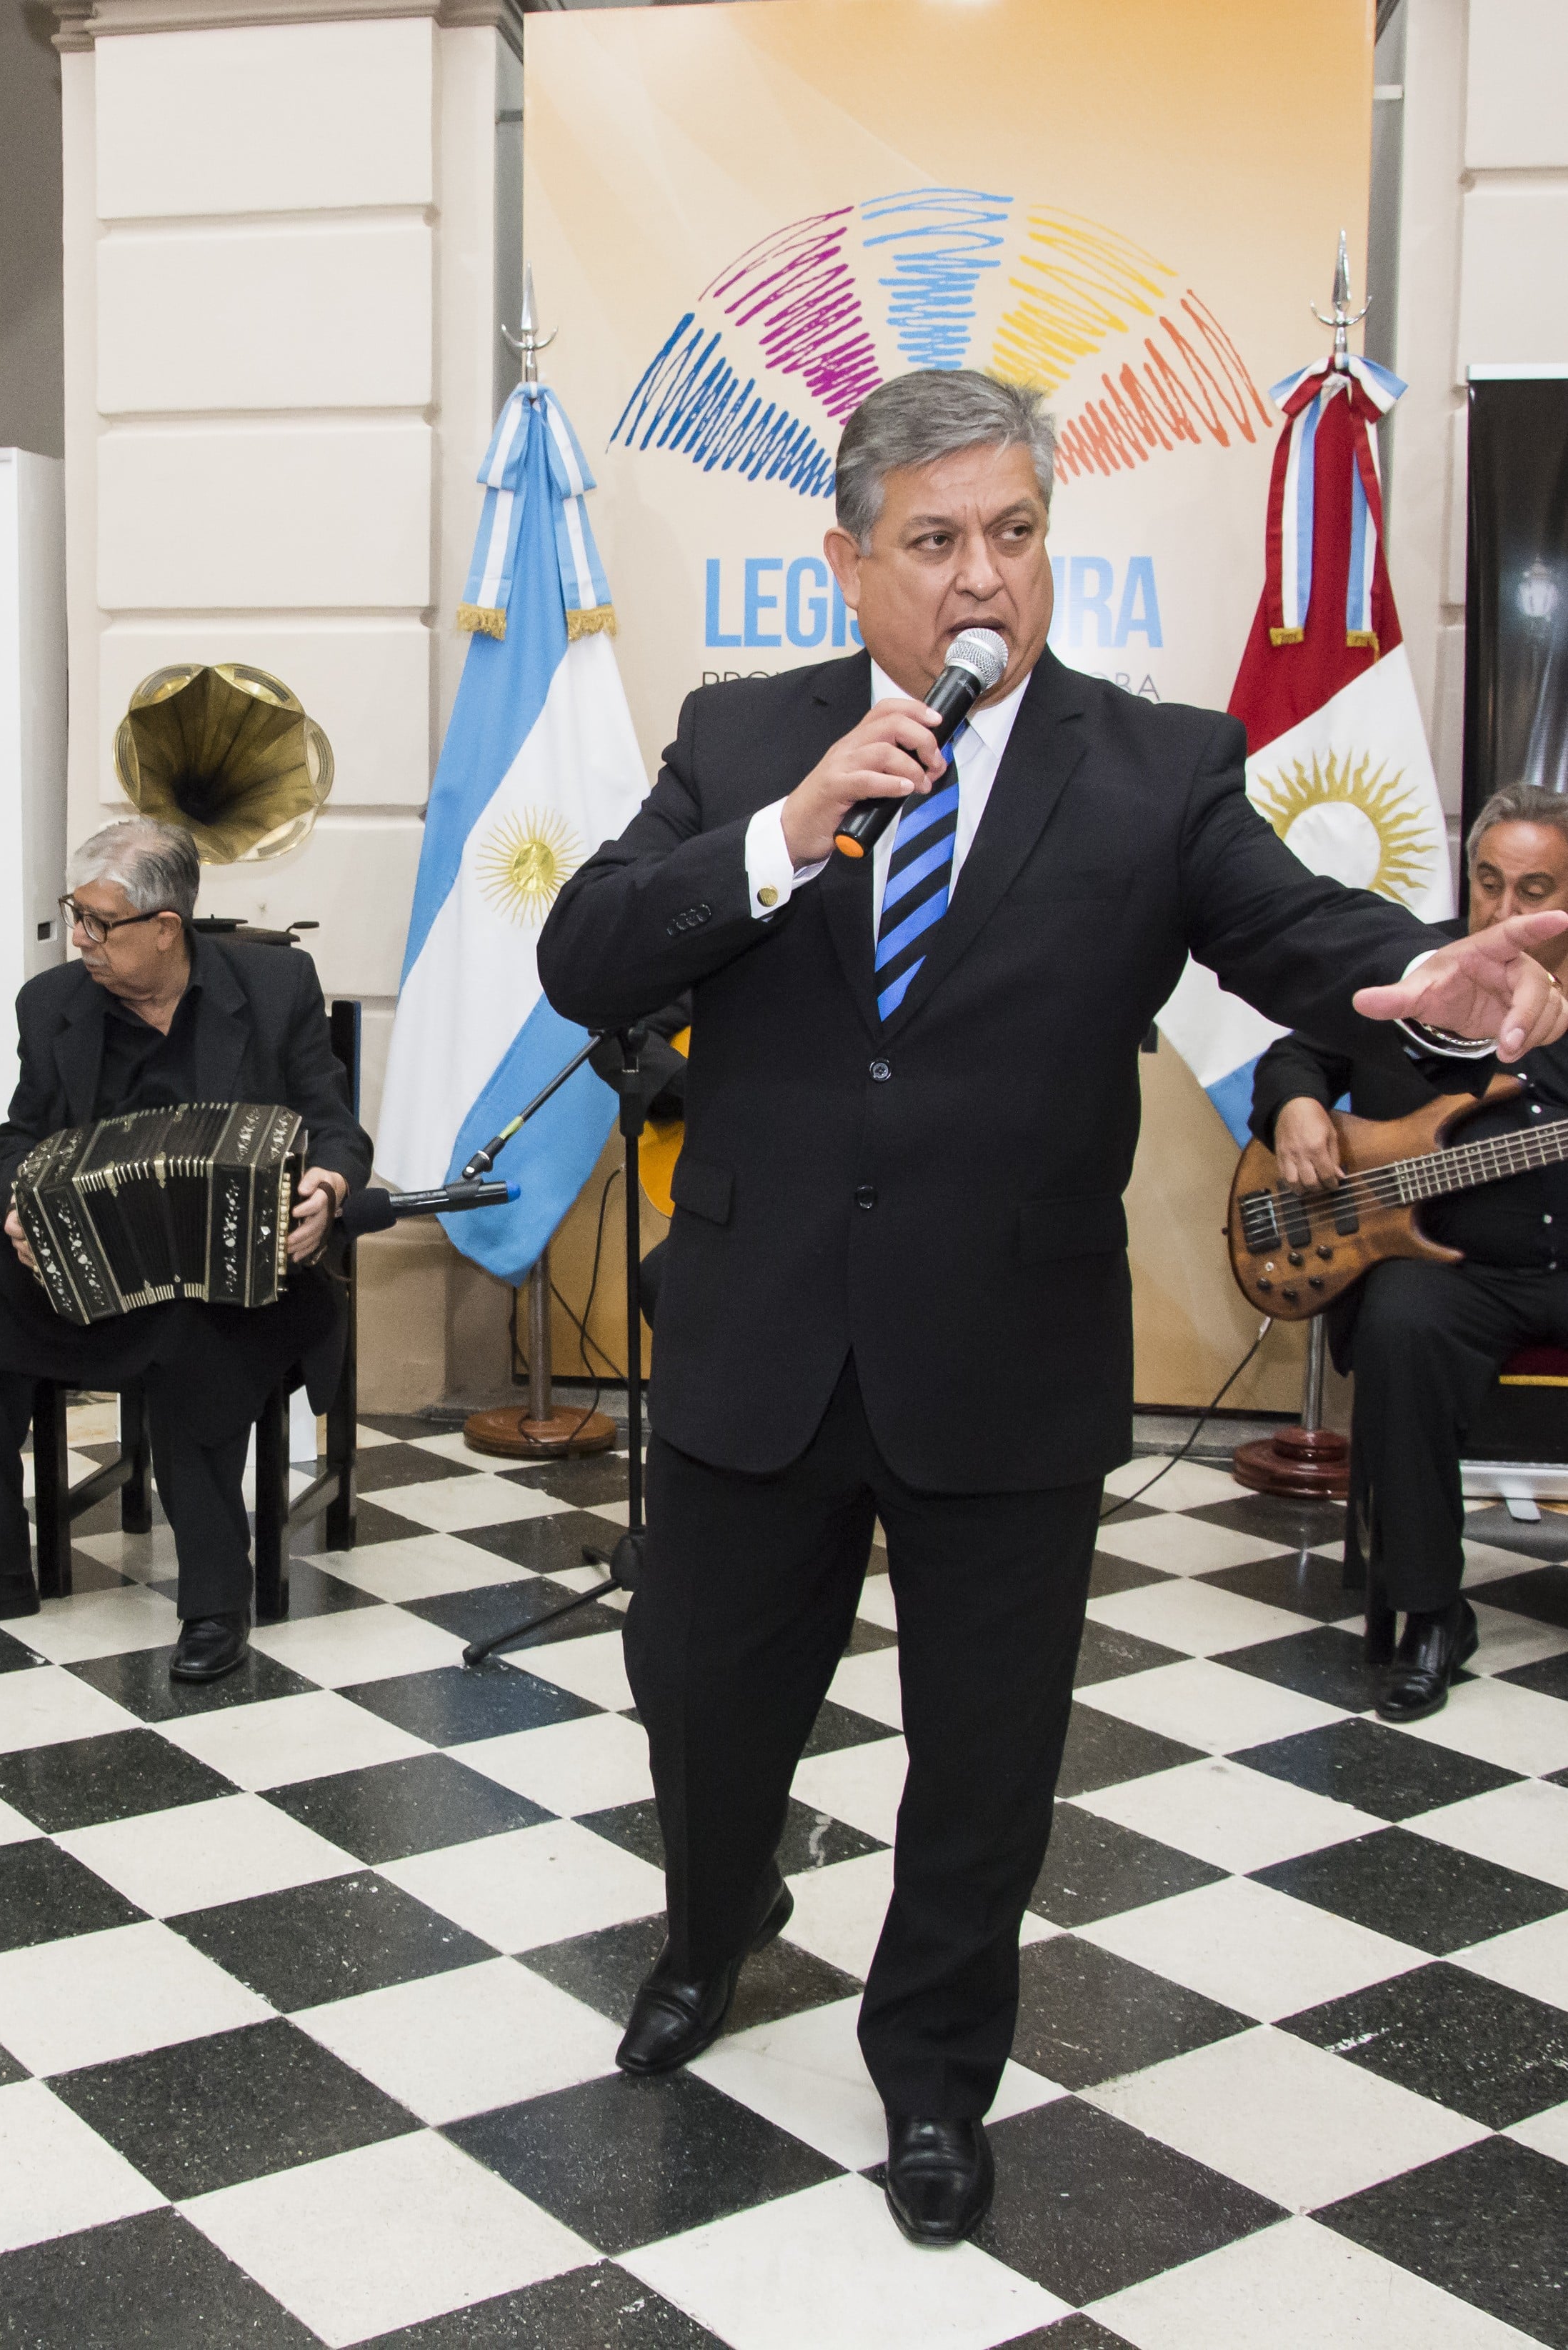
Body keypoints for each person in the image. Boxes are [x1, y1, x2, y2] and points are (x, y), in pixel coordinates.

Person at [536, 368, 1567, 2249]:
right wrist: (779, 833)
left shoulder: (1147, 762)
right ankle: (710, 1918)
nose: (978, 577)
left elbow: (1291, 931)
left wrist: (1430, 974)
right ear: (848, 565)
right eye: (930, 542)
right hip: (757, 1332)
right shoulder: (742, 730)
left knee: (984, 1753)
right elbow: (585, 949)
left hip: (999, 1354)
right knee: (695, 1702)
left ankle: (931, 2074)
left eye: (1009, 532)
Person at [0, 819, 371, 1680]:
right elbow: (17, 1143)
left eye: (99, 922)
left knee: (192, 1338)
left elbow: (334, 1125)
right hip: (93, 1268)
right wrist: (17, 1206)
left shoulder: (275, 987)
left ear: (167, 926)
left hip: (244, 1275)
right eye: (74, 915)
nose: (79, 938)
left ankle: (213, 1601)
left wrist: (329, 1189)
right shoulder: (53, 1007)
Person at [1252, 784, 1568, 1723]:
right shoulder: (1417, 968)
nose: (1503, 911)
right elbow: (1294, 1054)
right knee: (1396, 1326)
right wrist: (1297, 1106)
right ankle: (1429, 1611)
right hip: (1451, 1272)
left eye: (1533, 888)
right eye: (1486, 882)